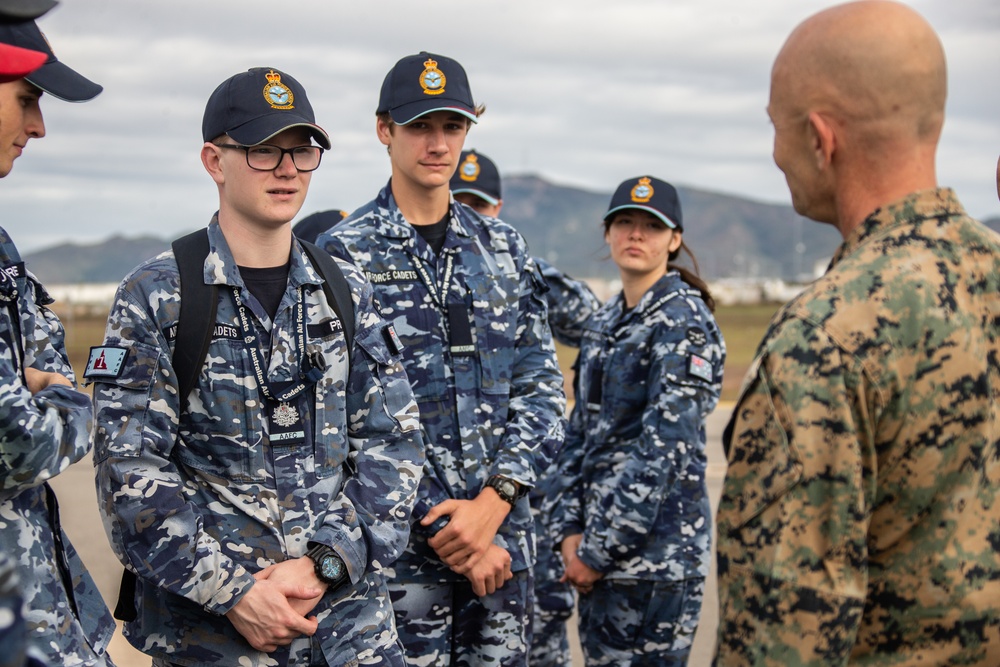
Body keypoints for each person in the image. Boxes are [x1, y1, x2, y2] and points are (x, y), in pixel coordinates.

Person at [88, 67, 425, 666]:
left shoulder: (344, 289)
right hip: (214, 637)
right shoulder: (158, 296)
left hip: (349, 633)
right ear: (215, 161)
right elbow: (130, 474)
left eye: (302, 150)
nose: (289, 169)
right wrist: (237, 593)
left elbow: (394, 442)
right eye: (265, 151)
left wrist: (325, 564)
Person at [714, 1, 1000, 664]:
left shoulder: (823, 342)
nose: (776, 152)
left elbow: (782, 638)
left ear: (821, 138)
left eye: (778, 129)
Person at [317, 52, 566, 666]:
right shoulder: (340, 255)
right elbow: (337, 416)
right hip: (398, 562)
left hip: (502, 551)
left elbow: (542, 388)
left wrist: (494, 503)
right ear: (384, 131)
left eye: (452, 127)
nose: (438, 143)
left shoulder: (504, 249)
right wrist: (451, 529)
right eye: (420, 126)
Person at [545, 176, 723, 666]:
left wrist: (596, 551)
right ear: (608, 233)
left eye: (651, 226)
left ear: (675, 239)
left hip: (655, 563)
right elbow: (579, 434)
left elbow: (664, 449)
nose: (636, 235)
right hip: (596, 557)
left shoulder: (681, 322)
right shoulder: (605, 322)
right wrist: (569, 530)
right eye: (625, 222)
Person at [450, 147, 599, 666]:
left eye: (480, 206)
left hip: (518, 511)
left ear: (499, 208)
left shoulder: (511, 266)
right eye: (458, 202)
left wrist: (516, 268)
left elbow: (589, 322)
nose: (468, 214)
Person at [0, 15, 114, 667]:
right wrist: (69, 401)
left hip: (38, 609)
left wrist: (39, 388)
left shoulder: (6, 249)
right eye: (27, 98)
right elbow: (22, 441)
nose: (38, 127)